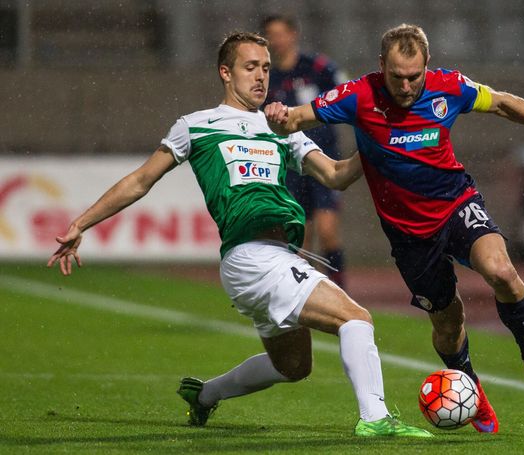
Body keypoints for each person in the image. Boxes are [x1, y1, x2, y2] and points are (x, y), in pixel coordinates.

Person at [46, 31, 432, 438]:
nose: (261, 76)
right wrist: (81, 223)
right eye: (251, 67)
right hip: (251, 256)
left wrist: (378, 142)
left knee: (293, 367)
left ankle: (205, 395)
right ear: (226, 73)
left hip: (275, 256)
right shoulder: (196, 125)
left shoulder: (282, 127)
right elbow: (140, 180)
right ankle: (375, 417)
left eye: (265, 67)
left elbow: (336, 176)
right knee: (356, 319)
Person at [265, 23, 524, 434]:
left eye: (414, 76)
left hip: (457, 202)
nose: (406, 86)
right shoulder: (357, 95)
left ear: (427, 65)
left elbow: (502, 103)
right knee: (448, 322)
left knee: (501, 272)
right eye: (396, 76)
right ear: (381, 67)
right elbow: (298, 118)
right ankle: (472, 392)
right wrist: (280, 117)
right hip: (408, 234)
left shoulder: (450, 87)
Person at [262, 14, 347, 287]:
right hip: (290, 165)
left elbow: (348, 98)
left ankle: (340, 291)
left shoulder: (319, 68)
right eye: (270, 35)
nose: (276, 41)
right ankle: (304, 295)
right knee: (300, 238)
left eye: (280, 33)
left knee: (328, 230)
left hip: (322, 160)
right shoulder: (266, 77)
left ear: (293, 34)